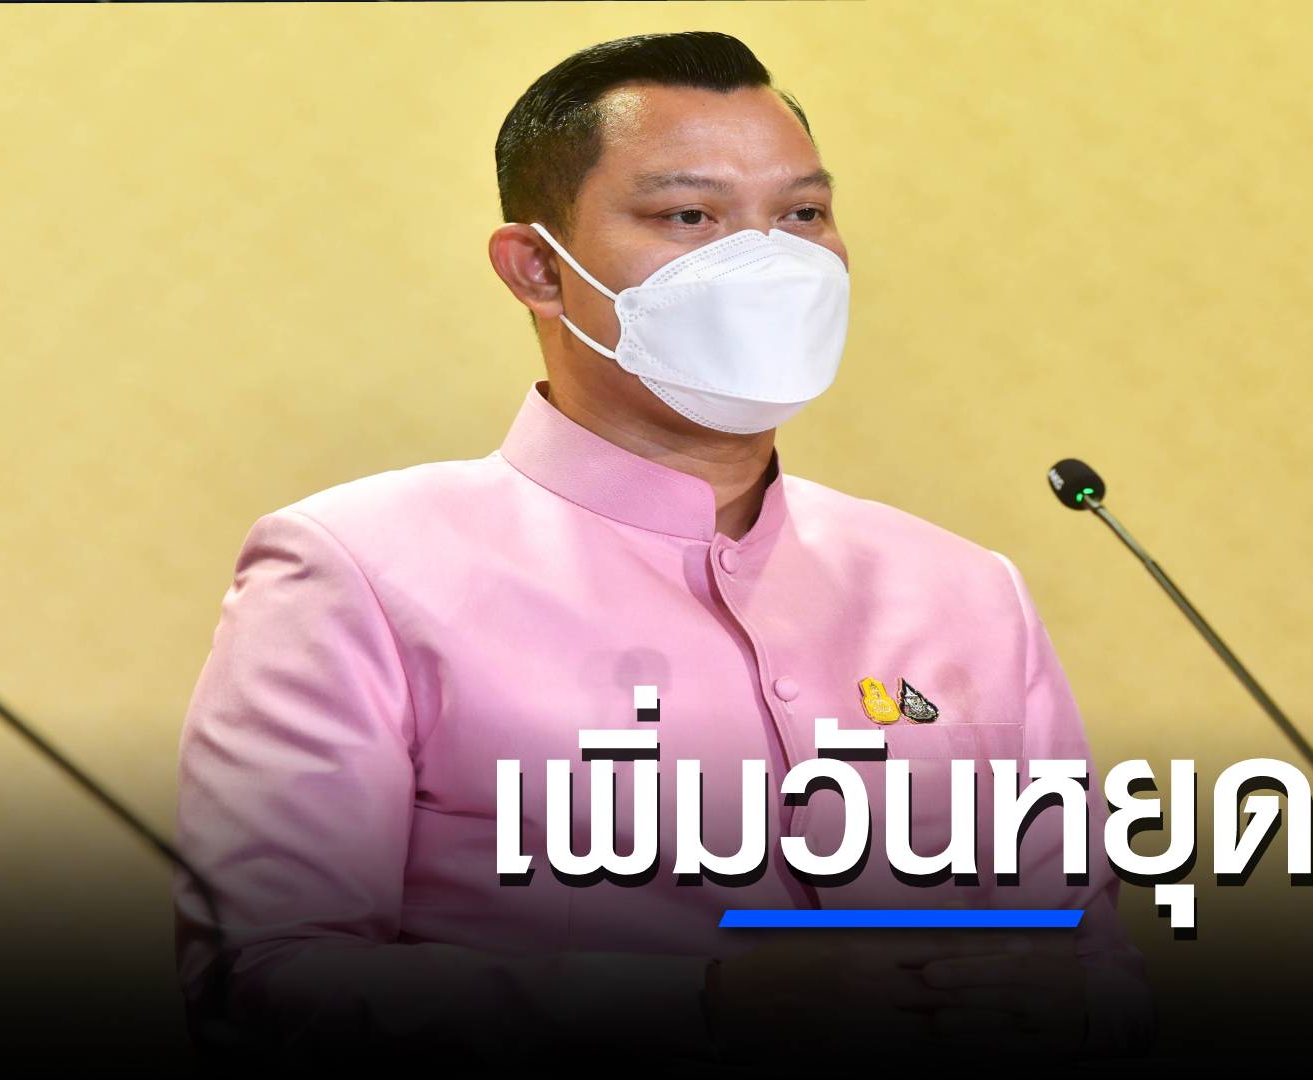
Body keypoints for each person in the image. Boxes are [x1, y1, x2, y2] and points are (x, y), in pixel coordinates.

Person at [173, 31, 1152, 1067]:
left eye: (803, 215)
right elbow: (259, 987)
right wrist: (705, 1004)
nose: (768, 261)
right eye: (691, 216)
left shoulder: (965, 590)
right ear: (538, 270)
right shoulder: (357, 570)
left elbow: (1101, 965)